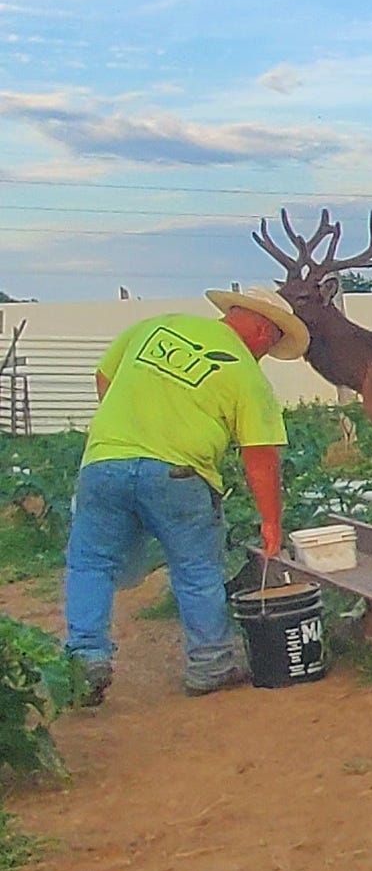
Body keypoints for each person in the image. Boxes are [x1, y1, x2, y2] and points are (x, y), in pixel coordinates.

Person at [64, 290, 304, 703]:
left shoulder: (157, 326)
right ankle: (210, 663)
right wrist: (271, 522)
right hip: (180, 476)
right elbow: (260, 455)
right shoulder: (246, 374)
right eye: (272, 343)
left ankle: (85, 657)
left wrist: (132, 432)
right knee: (196, 569)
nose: (267, 352)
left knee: (91, 562)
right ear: (263, 331)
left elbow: (105, 376)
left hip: (105, 462)